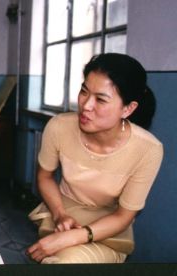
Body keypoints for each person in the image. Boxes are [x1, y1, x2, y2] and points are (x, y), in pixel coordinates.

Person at [26, 53, 163, 263]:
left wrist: (70, 238)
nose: (86, 105)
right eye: (83, 91)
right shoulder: (59, 126)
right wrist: (60, 214)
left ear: (128, 108)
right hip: (63, 218)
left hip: (109, 231)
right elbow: (44, 177)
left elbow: (124, 216)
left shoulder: (148, 149)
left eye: (100, 99)